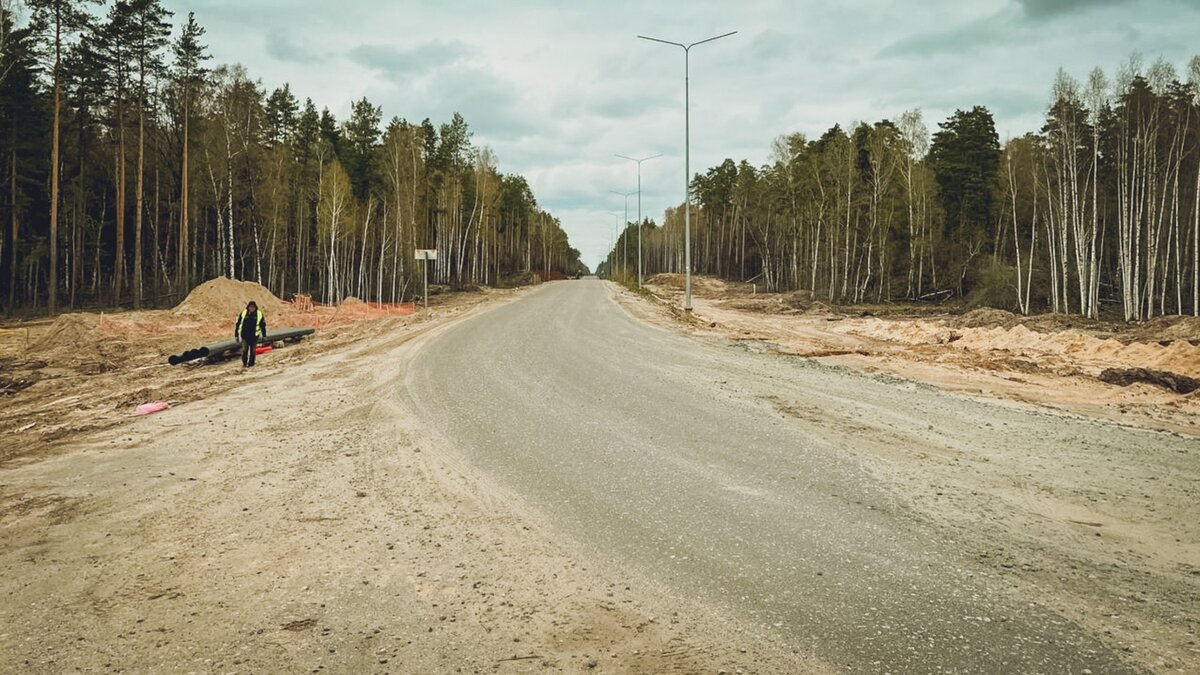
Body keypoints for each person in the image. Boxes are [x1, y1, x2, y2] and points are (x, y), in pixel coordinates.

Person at [234, 300, 267, 367]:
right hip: (245, 335)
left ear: (255, 307)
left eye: (253, 307)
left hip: (254, 336)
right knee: (244, 350)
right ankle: (244, 363)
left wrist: (264, 335)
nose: (252, 308)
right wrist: (236, 335)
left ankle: (251, 364)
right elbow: (238, 324)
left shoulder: (259, 314)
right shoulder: (243, 313)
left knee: (253, 351)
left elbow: (262, 325)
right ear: (248, 307)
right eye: (250, 307)